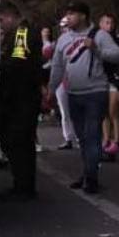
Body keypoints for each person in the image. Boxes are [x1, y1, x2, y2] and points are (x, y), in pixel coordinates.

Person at [48, 0, 119, 194]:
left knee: (92, 135)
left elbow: (117, 54)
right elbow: (57, 66)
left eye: (72, 14)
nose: (68, 18)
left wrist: (97, 49)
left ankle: (91, 178)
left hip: (94, 93)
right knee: (82, 137)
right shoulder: (64, 39)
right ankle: (87, 172)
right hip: (74, 93)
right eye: (67, 14)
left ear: (83, 16)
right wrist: (51, 89)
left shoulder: (99, 35)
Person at [0, 1, 44, 201]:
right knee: (22, 142)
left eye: (1, 20)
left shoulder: (21, 33)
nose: (1, 25)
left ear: (11, 16)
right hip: (24, 95)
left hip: (22, 96)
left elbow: (18, 62)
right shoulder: (22, 33)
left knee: (17, 141)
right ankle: (24, 185)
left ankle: (23, 186)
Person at [98, 13, 119, 161]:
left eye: (112, 23)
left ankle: (116, 141)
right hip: (102, 79)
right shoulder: (97, 40)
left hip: (116, 80)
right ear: (101, 24)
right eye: (106, 23)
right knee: (104, 112)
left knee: (113, 110)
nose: (109, 26)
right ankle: (106, 140)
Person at [49, 16, 78, 150]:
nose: (65, 29)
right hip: (62, 81)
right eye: (63, 27)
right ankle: (68, 138)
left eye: (67, 26)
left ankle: (81, 137)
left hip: (76, 79)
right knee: (64, 111)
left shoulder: (80, 39)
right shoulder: (59, 42)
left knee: (78, 110)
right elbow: (55, 63)